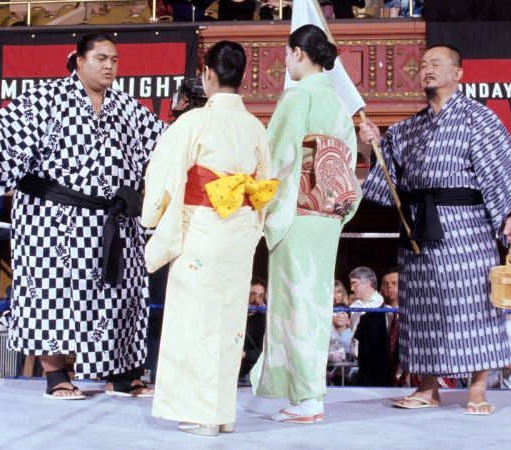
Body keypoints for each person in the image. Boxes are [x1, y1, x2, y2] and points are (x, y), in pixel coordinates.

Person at [0, 32, 166, 400]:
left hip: (112, 218)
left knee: (122, 293)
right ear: (79, 60)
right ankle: (56, 376)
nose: (109, 66)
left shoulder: (127, 106)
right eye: (101, 58)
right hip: (52, 219)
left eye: (114, 60)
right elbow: (6, 127)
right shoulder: (47, 98)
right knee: (51, 293)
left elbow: (166, 141)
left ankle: (121, 373)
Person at [359, 44, 511, 415]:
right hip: (417, 226)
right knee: (422, 305)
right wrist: (373, 147)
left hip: (467, 225)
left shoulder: (480, 119)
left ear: (458, 74)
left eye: (436, 64)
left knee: (475, 303)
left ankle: (478, 388)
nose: (427, 69)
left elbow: (502, 169)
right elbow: (389, 185)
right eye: (424, 64)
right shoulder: (406, 129)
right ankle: (428, 388)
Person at [143, 40, 276, 436]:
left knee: (196, 320)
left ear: (208, 76)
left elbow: (164, 177)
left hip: (201, 227)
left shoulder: (193, 122)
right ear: (243, 76)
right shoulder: (255, 127)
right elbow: (264, 187)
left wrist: (154, 217)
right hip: (238, 233)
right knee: (229, 323)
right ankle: (222, 413)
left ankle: (202, 413)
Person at [251, 24, 361, 424]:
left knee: (295, 301)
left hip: (297, 211)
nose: (285, 60)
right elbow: (346, 161)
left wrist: (256, 198)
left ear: (299, 53)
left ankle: (306, 397)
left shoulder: (297, 97)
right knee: (315, 301)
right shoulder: (335, 102)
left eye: (287, 53)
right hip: (326, 213)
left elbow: (276, 156)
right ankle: (310, 393)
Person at [240, 277, 268, 381]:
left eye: (260, 296)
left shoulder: (264, 320)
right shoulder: (230, 316)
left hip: (248, 374)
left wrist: (245, 354)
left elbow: (265, 352)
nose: (256, 300)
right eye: (252, 294)